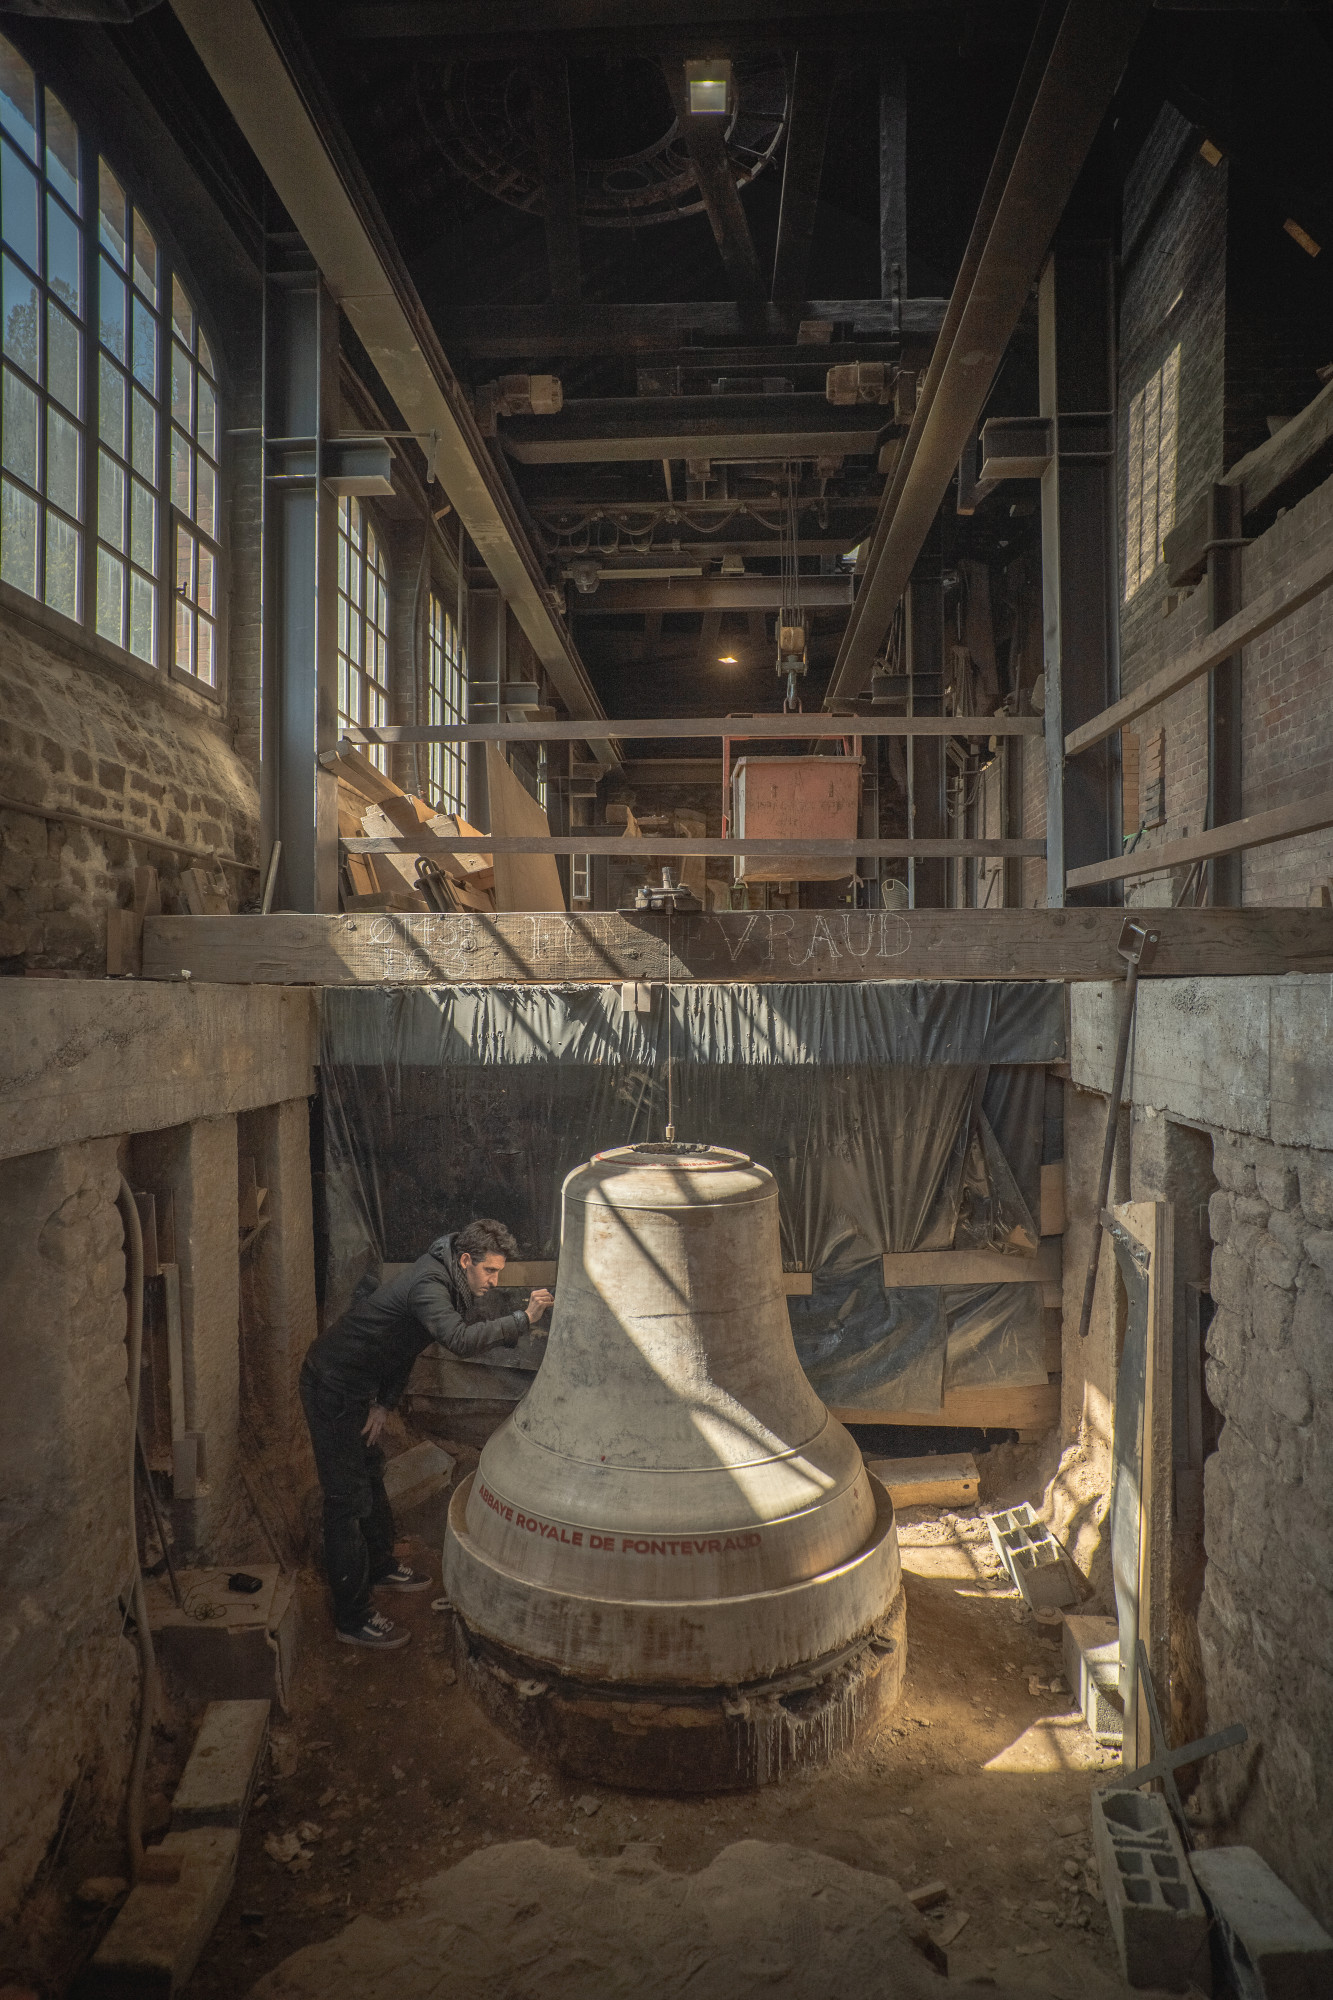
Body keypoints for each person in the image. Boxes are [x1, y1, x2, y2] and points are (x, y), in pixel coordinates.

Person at [299, 1217, 553, 1650]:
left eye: (499, 1273)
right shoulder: (430, 1284)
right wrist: (523, 1318)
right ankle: (352, 1617)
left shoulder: (449, 1276)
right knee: (346, 1500)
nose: (494, 1281)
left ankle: (379, 1566)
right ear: (466, 1259)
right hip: (332, 1387)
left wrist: (384, 1403)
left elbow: (402, 1345)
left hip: (360, 1388)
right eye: (489, 1271)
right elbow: (458, 1339)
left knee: (370, 1471)